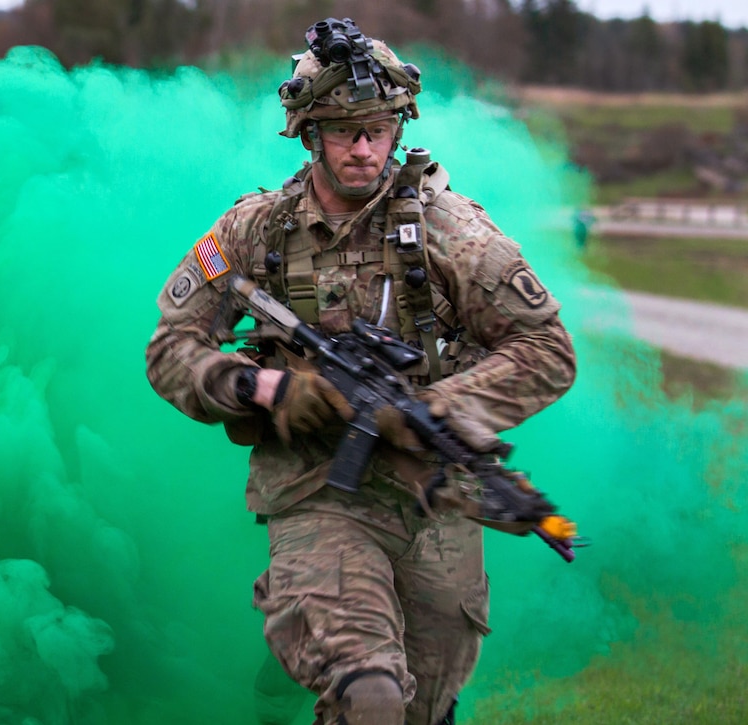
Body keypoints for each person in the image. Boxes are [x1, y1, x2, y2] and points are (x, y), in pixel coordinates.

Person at [145, 17, 576, 725]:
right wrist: (262, 387)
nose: (365, 147)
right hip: (316, 490)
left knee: (424, 708)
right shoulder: (254, 232)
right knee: (370, 695)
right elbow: (172, 347)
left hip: (432, 497)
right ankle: (310, 618)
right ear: (310, 134)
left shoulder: (448, 230)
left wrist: (433, 412)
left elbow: (546, 348)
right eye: (344, 130)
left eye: (378, 128)